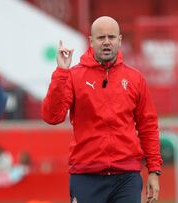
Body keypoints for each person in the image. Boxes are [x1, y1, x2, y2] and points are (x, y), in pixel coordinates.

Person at [41, 16, 162, 203]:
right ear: (91, 41)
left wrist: (154, 171)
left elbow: (148, 126)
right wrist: (61, 73)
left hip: (126, 177)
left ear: (120, 40)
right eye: (101, 37)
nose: (107, 42)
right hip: (86, 175)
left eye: (111, 37)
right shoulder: (73, 76)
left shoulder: (135, 79)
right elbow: (52, 116)